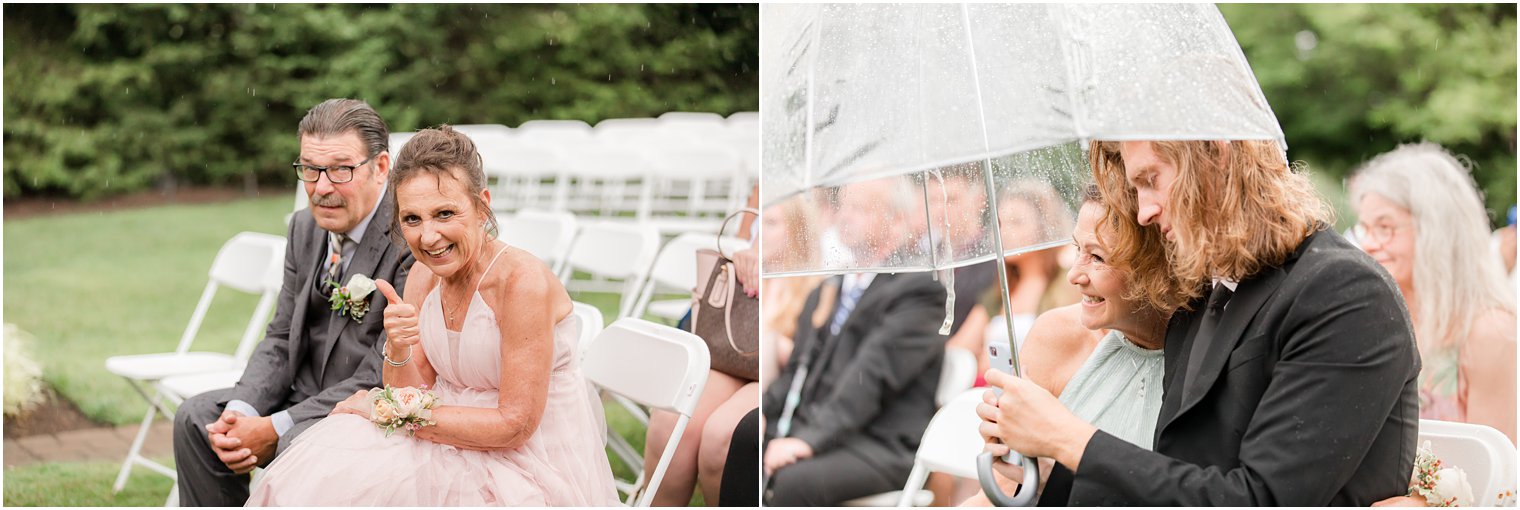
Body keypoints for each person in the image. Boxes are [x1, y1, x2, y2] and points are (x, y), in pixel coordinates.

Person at [982, 139, 1420, 505]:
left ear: (1215, 156)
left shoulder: (1346, 293)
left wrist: (1067, 437)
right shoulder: (1205, 298)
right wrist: (1038, 469)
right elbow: (1174, 479)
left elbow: (1260, 500)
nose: (1144, 213)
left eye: (1151, 181)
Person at [245, 125, 618, 505]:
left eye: (444, 213)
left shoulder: (522, 284)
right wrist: (398, 344)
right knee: (321, 475)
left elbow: (514, 426)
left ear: (482, 205)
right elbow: (410, 390)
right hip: (444, 432)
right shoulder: (423, 275)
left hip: (528, 460)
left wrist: (384, 410)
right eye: (412, 219)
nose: (428, 237)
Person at [172, 98, 415, 506]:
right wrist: (243, 411)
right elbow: (283, 334)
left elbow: (381, 374)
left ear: (381, 167)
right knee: (198, 420)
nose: (321, 188)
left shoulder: (408, 238)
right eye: (310, 169)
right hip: (300, 391)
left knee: (298, 448)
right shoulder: (304, 227)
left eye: (340, 169)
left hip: (361, 410)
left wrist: (276, 428)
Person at [964, 184, 1173, 505]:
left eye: (1097, 256)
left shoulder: (1202, 354)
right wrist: (1013, 461)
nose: (1074, 275)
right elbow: (996, 496)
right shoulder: (1057, 334)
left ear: (1155, 264)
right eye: (1077, 249)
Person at [762, 177, 949, 506]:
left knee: (793, 480)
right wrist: (766, 410)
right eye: (842, 205)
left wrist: (808, 441)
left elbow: (872, 376)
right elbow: (799, 368)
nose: (844, 215)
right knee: (746, 434)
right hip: (819, 423)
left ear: (896, 222)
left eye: (860, 208)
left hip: (877, 443)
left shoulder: (919, 290)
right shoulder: (832, 287)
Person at [1348, 143, 1517, 443]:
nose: (1370, 244)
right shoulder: (1373, 321)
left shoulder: (1489, 332)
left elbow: (1497, 475)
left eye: (1385, 227)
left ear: (1437, 232)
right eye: (1365, 228)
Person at [641, 186, 762, 506]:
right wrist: (748, 250)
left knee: (721, 436)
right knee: (672, 422)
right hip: (741, 341)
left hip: (790, 345)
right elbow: (749, 229)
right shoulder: (781, 166)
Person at [948, 179, 1079, 388]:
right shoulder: (1000, 288)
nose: (1004, 233)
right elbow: (959, 347)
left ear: (1045, 226)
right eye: (1000, 223)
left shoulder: (1066, 284)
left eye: (1016, 222)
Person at [758, 196, 825, 384]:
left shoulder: (813, 291)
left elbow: (810, 361)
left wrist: (776, 345)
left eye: (771, 223)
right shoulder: (758, 282)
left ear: (796, 230)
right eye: (760, 221)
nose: (760, 232)